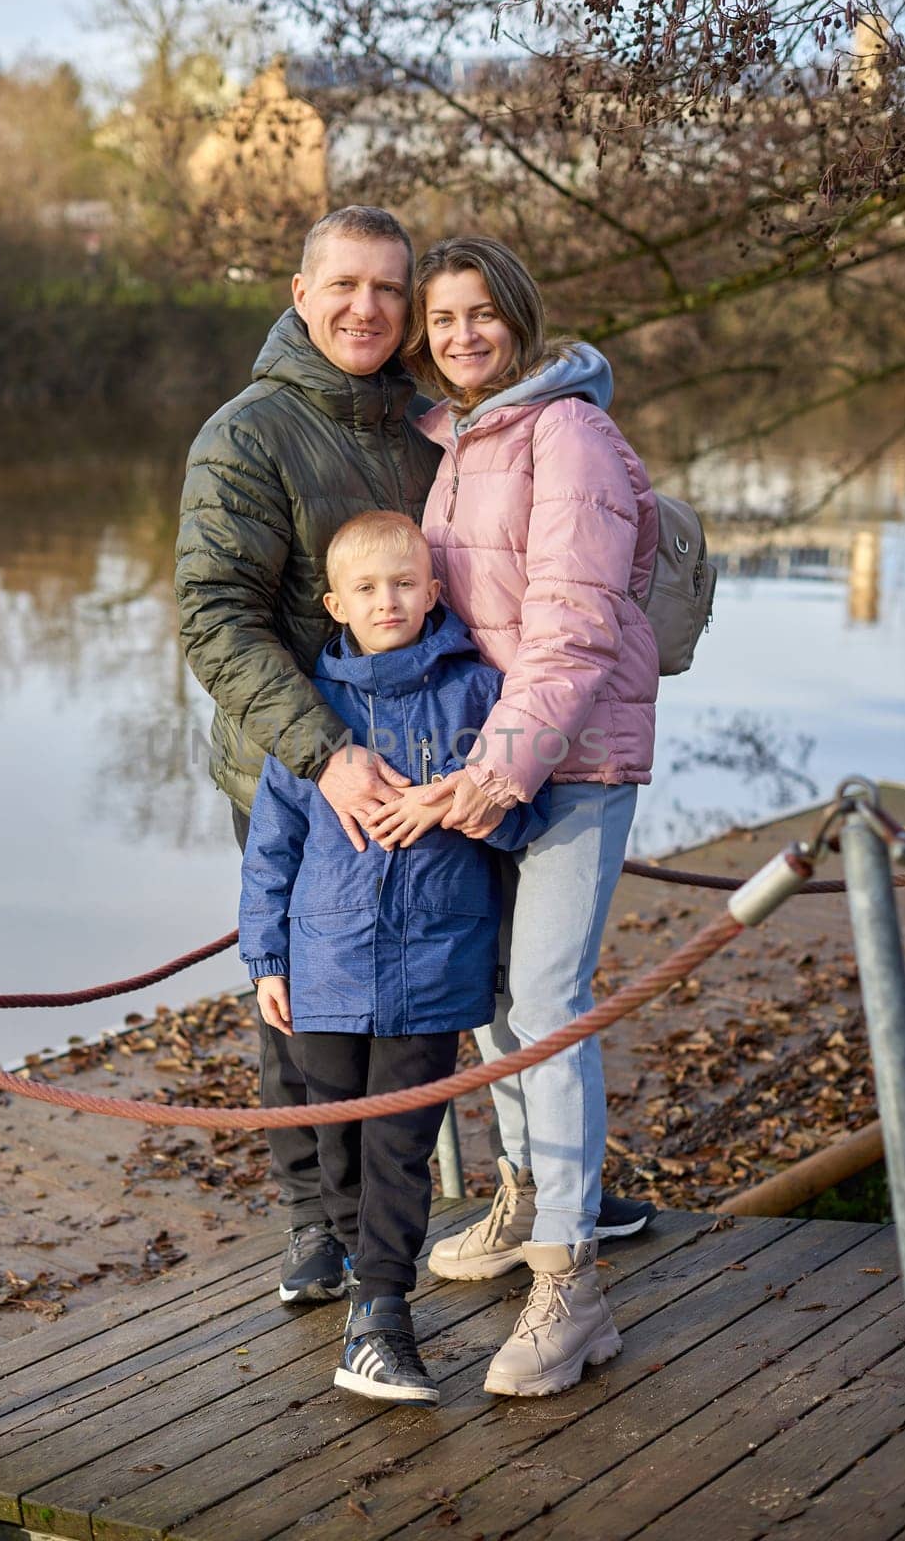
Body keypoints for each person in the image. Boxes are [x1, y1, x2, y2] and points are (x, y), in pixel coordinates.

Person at [370, 236, 661, 1397]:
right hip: (487, 763)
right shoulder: (460, 439)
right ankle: (528, 1193)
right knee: (493, 1000)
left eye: (481, 313)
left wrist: (498, 771)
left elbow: (576, 626)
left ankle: (573, 1286)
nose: (462, 335)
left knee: (545, 1006)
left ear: (520, 317)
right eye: (442, 320)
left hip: (571, 762)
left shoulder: (569, 431)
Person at [176, 206, 442, 1305]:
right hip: (293, 770)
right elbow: (213, 617)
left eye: (387, 288)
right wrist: (326, 754)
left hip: (427, 768)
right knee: (302, 1001)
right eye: (343, 285)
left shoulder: (432, 428)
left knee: (433, 990)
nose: (365, 308)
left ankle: (448, 1202)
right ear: (301, 294)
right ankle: (310, 1220)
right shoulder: (247, 433)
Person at [238, 512, 551, 1405]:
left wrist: (463, 800)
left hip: (433, 967)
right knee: (335, 1134)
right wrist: (267, 957)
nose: (389, 601)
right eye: (368, 590)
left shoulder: (478, 695)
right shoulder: (311, 714)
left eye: (405, 585)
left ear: (435, 593)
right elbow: (271, 850)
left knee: (400, 1149)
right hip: (325, 967)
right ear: (335, 603)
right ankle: (353, 1265)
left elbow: (525, 810)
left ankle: (381, 1308)